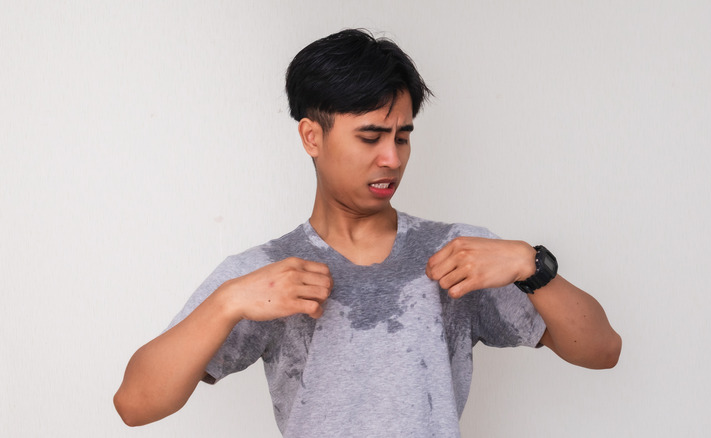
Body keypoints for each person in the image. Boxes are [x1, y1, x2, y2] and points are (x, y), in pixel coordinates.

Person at [113, 28, 621, 436]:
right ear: (312, 136)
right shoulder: (268, 273)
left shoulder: (457, 255)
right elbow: (135, 405)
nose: (392, 158)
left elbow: (602, 351)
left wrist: (532, 264)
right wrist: (227, 302)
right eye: (371, 136)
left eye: (403, 137)